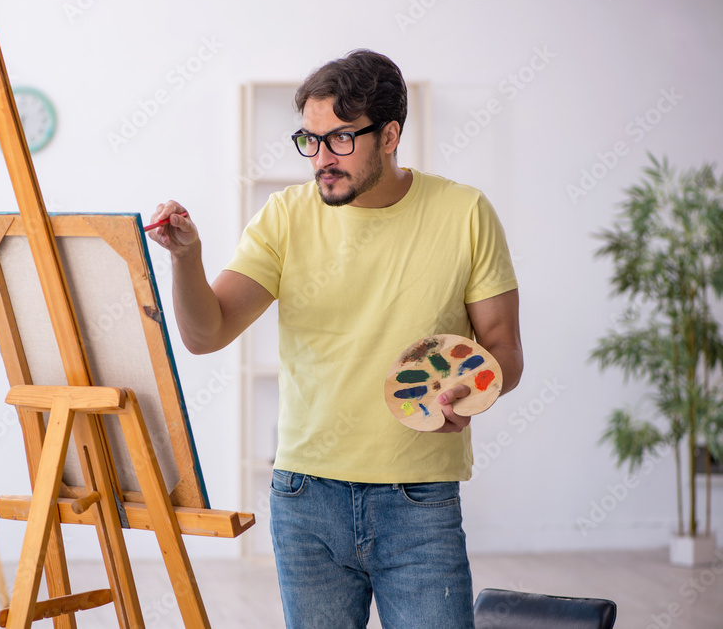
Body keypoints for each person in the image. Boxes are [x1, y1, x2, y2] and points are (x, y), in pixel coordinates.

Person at [147, 49, 523, 629]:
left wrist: (472, 396)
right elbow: (207, 333)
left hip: (419, 499)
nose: (321, 159)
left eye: (341, 139)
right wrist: (187, 259)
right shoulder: (285, 216)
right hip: (305, 497)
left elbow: (504, 350)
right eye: (310, 139)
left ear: (390, 134)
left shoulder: (464, 212)